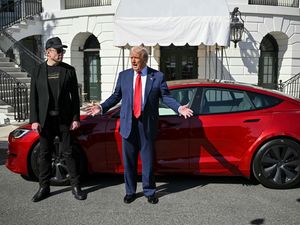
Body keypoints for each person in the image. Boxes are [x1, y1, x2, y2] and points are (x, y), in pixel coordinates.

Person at [85, 46, 193, 204]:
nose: (133, 61)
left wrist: (178, 107)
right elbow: (116, 96)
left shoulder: (157, 76)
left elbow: (166, 97)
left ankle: (149, 191)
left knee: (148, 160)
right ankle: (130, 191)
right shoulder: (124, 76)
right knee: (129, 161)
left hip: (147, 125)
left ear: (145, 59)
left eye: (136, 58)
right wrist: (101, 107)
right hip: (128, 124)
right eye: (131, 58)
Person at [30, 37, 87, 202]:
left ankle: (76, 187)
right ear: (48, 52)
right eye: (58, 50)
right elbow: (33, 97)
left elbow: (75, 98)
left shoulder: (69, 70)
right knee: (45, 154)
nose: (61, 53)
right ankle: (44, 187)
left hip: (65, 120)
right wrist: (34, 119)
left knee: (68, 153)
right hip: (45, 121)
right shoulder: (37, 71)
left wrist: (76, 118)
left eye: (62, 50)